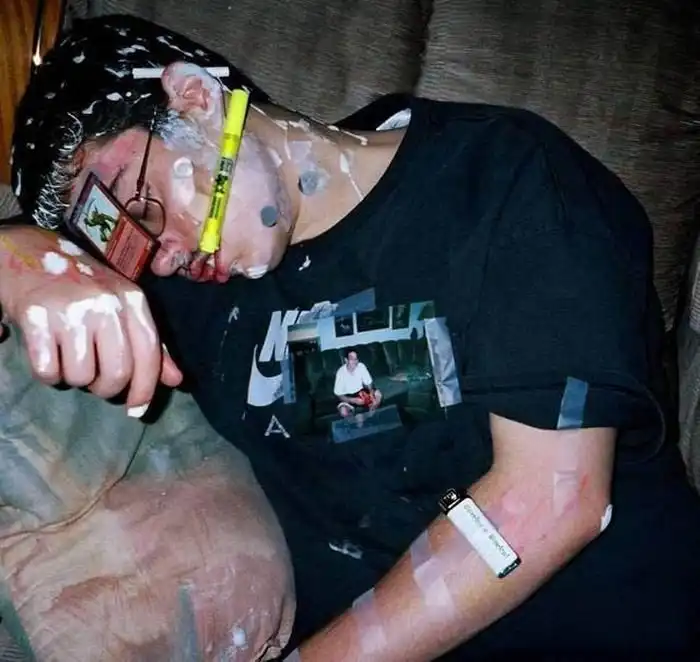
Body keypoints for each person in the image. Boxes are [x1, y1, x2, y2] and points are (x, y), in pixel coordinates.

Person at [3, 13, 700, 661]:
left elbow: (552, 500)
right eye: (126, 246)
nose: (162, 258)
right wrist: (23, 260)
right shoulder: (194, 286)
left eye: (144, 208)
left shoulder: (502, 174)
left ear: (195, 99)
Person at [334, 349, 382, 416]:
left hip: (361, 392)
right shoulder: (340, 372)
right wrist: (353, 400)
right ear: (346, 360)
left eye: (356, 359)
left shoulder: (361, 366)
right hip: (348, 396)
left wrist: (371, 395)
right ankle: (354, 418)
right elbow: (339, 395)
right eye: (352, 359)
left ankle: (370, 414)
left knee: (378, 394)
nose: (355, 361)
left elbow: (369, 384)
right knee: (343, 411)